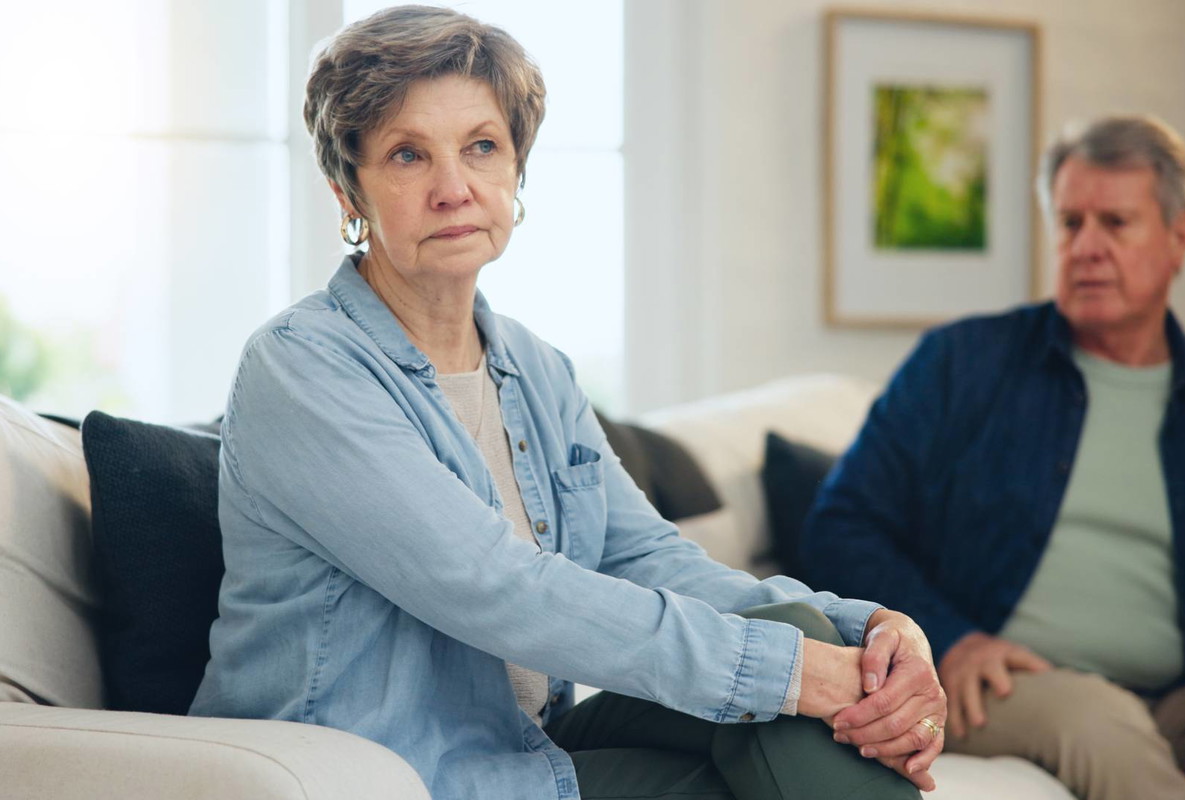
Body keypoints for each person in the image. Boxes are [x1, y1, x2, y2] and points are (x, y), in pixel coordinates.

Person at [188, 6, 945, 800]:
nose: (454, 189)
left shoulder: (533, 367)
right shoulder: (302, 368)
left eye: (482, 147)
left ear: (515, 172)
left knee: (796, 636)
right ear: (349, 191)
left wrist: (870, 635)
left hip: (529, 748)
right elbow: (496, 588)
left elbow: (648, 558)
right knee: (788, 692)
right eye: (408, 155)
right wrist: (801, 677)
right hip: (396, 769)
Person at [801, 114, 1185, 800]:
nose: (1088, 247)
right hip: (1011, 688)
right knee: (1100, 723)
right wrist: (954, 639)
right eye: (1071, 223)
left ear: (1179, 236)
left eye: (1115, 222)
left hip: (1173, 693)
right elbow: (840, 524)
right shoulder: (964, 363)